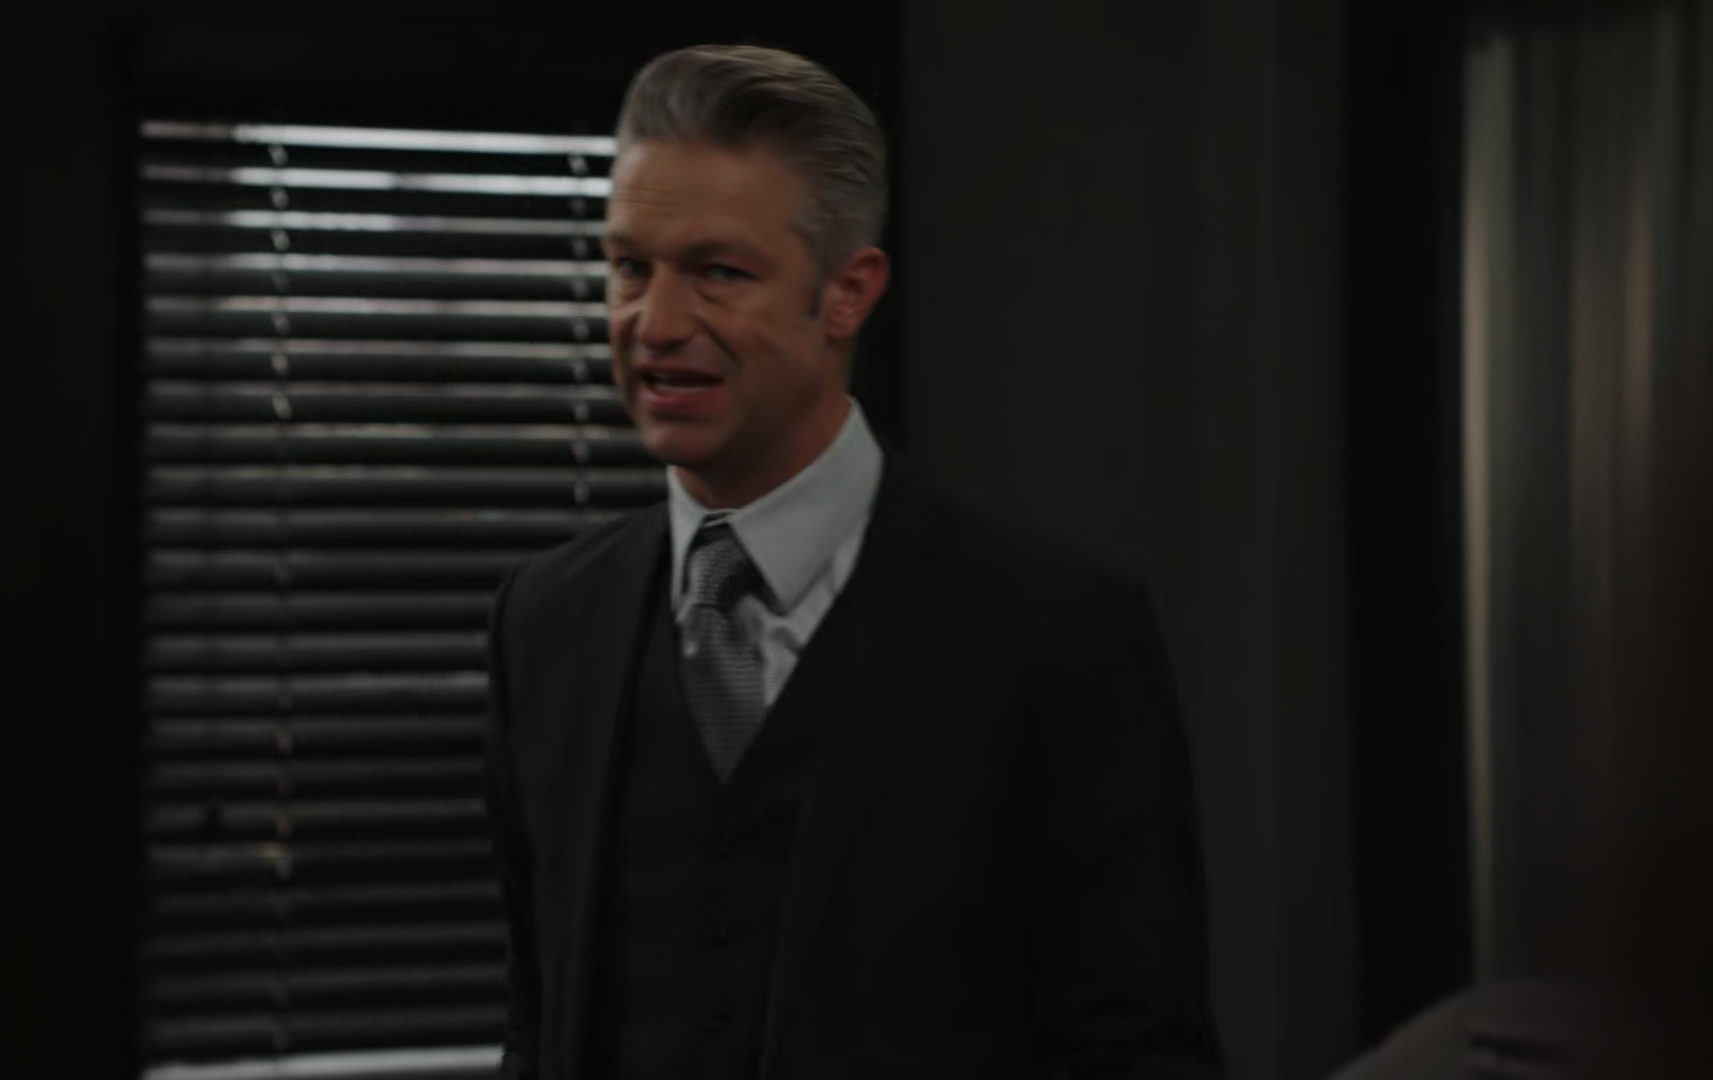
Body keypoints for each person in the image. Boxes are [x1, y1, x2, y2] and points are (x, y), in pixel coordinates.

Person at [484, 44, 1222, 1080]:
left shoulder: (1057, 636)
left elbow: (1136, 1052)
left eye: (719, 272)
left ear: (846, 292)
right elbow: (537, 1018)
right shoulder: (547, 621)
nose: (656, 324)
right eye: (630, 267)